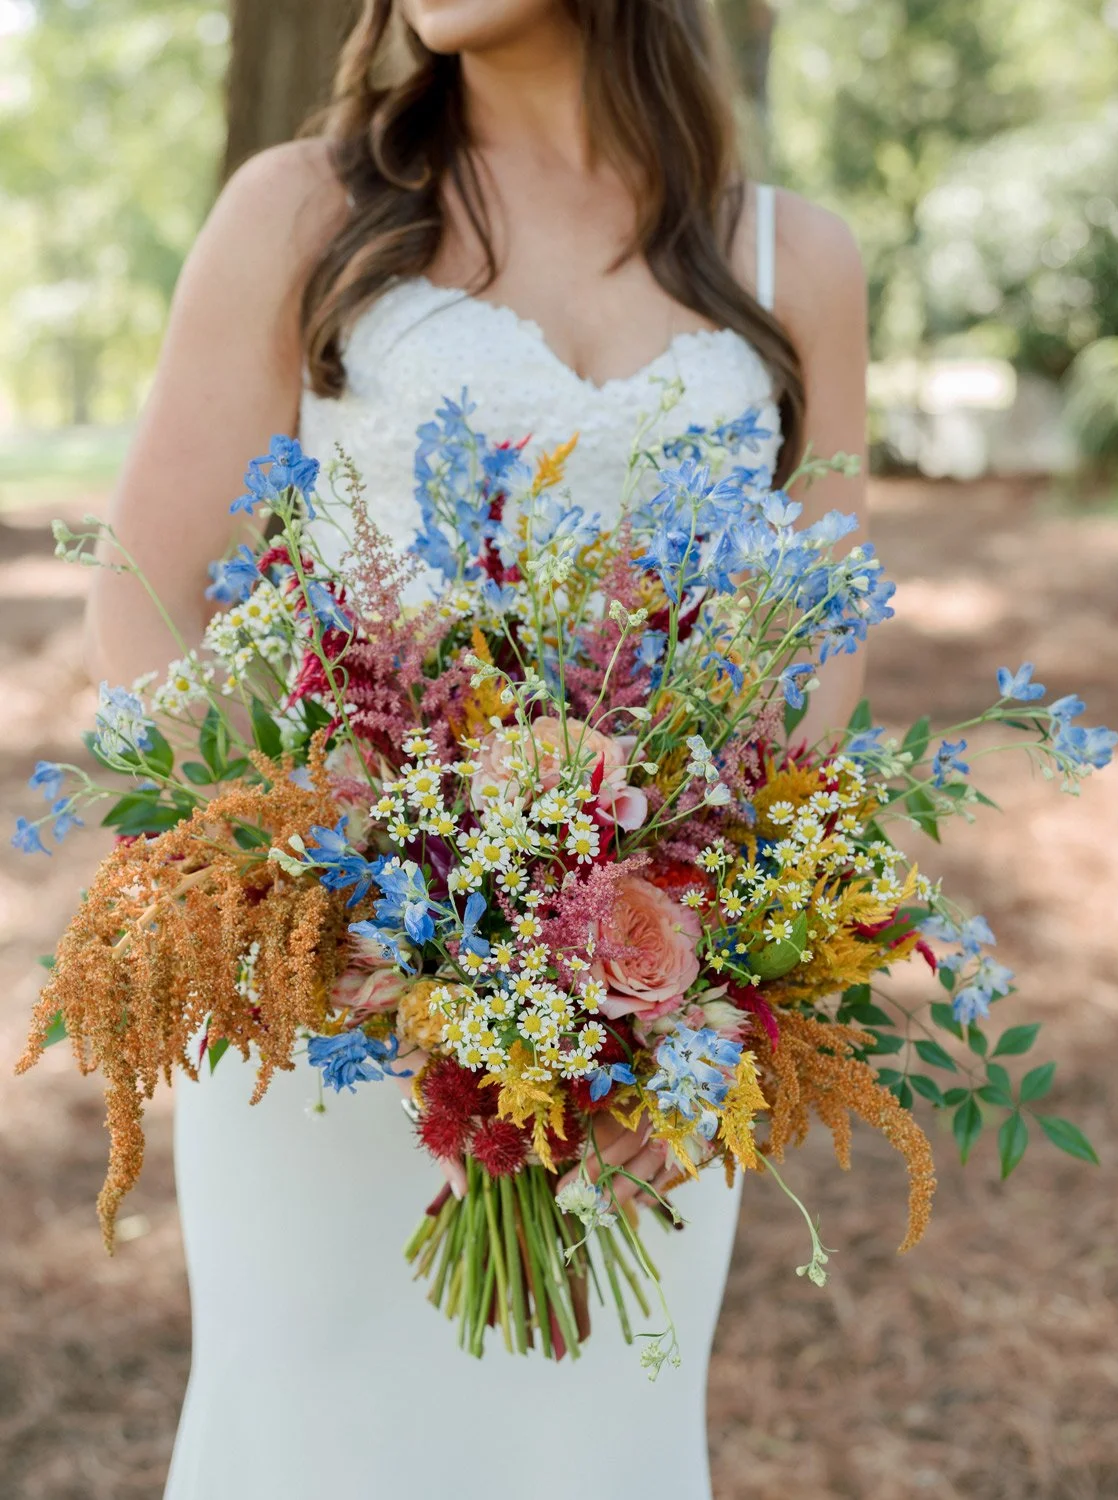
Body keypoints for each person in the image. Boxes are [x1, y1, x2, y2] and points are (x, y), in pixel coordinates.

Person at [86, 3, 868, 1496]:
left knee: (594, 1448)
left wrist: (705, 952)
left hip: (637, 1027)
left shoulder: (795, 261)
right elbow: (137, 597)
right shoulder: (305, 212)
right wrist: (307, 875)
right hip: (338, 1003)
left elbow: (824, 647)